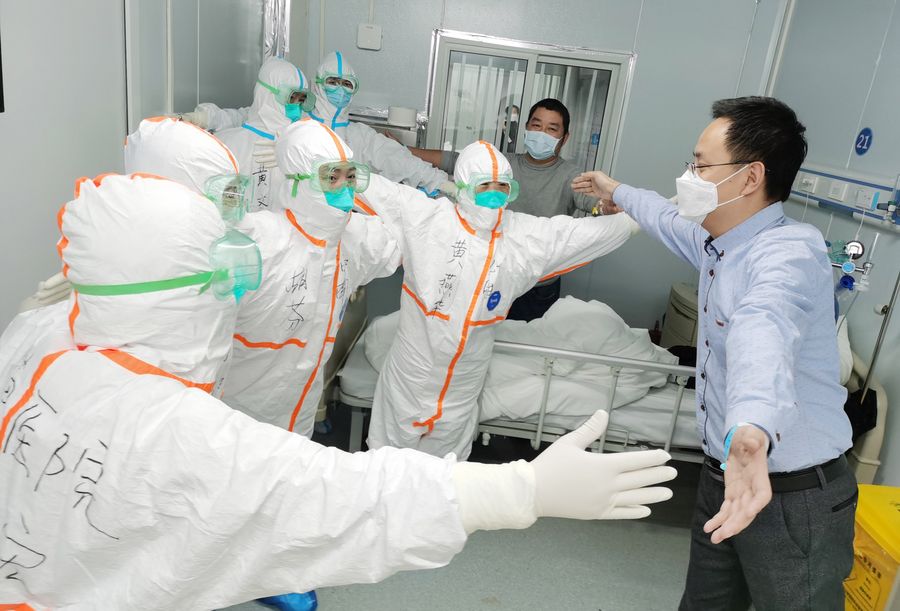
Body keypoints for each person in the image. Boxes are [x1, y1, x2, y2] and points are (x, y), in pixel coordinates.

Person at [0, 172, 677, 610]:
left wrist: (641, 211)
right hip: (386, 374)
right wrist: (519, 489)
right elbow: (336, 490)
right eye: (223, 278)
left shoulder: (40, 330)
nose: (236, 291)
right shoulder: (169, 426)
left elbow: (582, 234)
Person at [572, 96, 857, 610]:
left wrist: (750, 427)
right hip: (725, 473)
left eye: (701, 167)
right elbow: (662, 215)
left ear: (750, 178)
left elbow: (762, 328)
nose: (689, 176)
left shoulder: (788, 252)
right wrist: (614, 190)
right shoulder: (718, 243)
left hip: (793, 494)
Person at [360, 140, 639, 459]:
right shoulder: (427, 219)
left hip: (462, 388)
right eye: (484, 186)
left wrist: (652, 213)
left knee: (445, 473)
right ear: (462, 187)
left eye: (502, 187)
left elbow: (582, 235)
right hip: (410, 377)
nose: (494, 196)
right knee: (387, 467)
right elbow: (368, 186)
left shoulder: (522, 237)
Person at [403, 98, 600, 321]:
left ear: (565, 138)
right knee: (478, 332)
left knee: (525, 339)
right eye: (537, 125)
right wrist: (403, 150)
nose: (541, 133)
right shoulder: (503, 165)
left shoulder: (571, 177)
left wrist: (610, 205)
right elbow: (453, 160)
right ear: (526, 128)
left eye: (551, 129)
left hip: (537, 285)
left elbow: (596, 204)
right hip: (492, 275)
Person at [187, 51, 452, 194]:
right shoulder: (292, 120)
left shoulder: (359, 136)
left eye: (347, 84)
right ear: (318, 84)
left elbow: (399, 159)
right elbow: (250, 117)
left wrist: (440, 182)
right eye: (333, 82)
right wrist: (206, 117)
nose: (339, 89)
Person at [214, 57, 316, 212]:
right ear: (266, 93)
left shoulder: (305, 144)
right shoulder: (228, 143)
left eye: (301, 100)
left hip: (286, 227)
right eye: (291, 98)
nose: (296, 106)